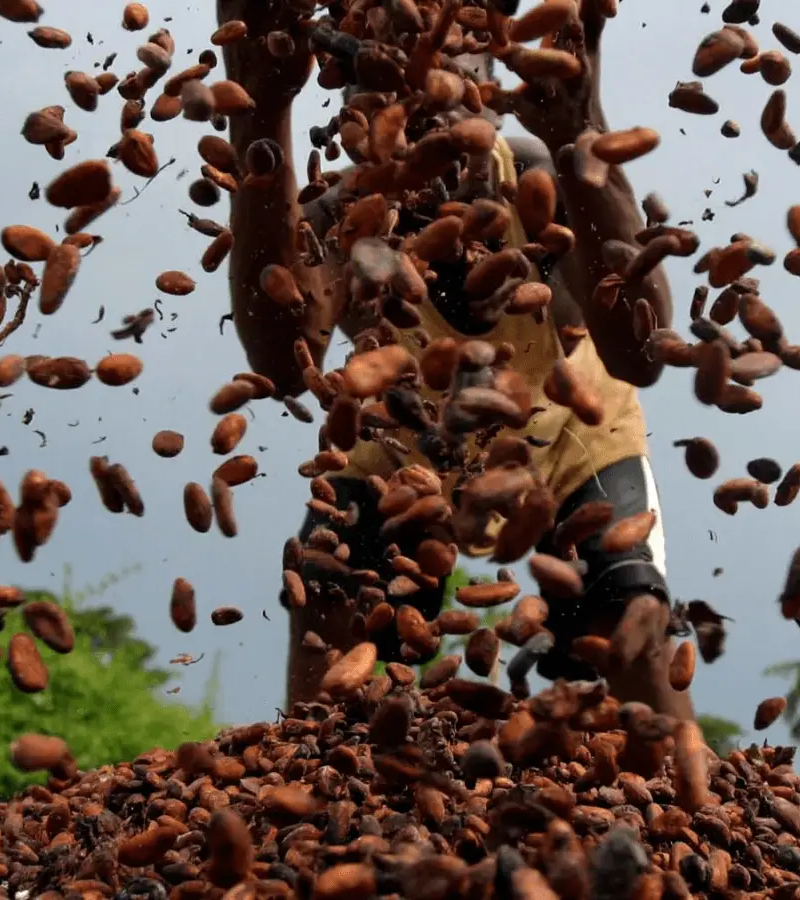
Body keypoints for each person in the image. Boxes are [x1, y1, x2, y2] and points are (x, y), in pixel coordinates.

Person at [218, 0, 693, 719]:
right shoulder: (343, 220)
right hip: (402, 445)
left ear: (486, 73)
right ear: (347, 94)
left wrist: (580, 132)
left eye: (437, 57)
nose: (411, 84)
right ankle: (325, 804)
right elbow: (284, 364)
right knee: (330, 589)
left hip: (568, 438)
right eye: (379, 63)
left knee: (627, 614)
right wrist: (261, 111)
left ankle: (672, 806)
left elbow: (645, 350)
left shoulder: (535, 183)